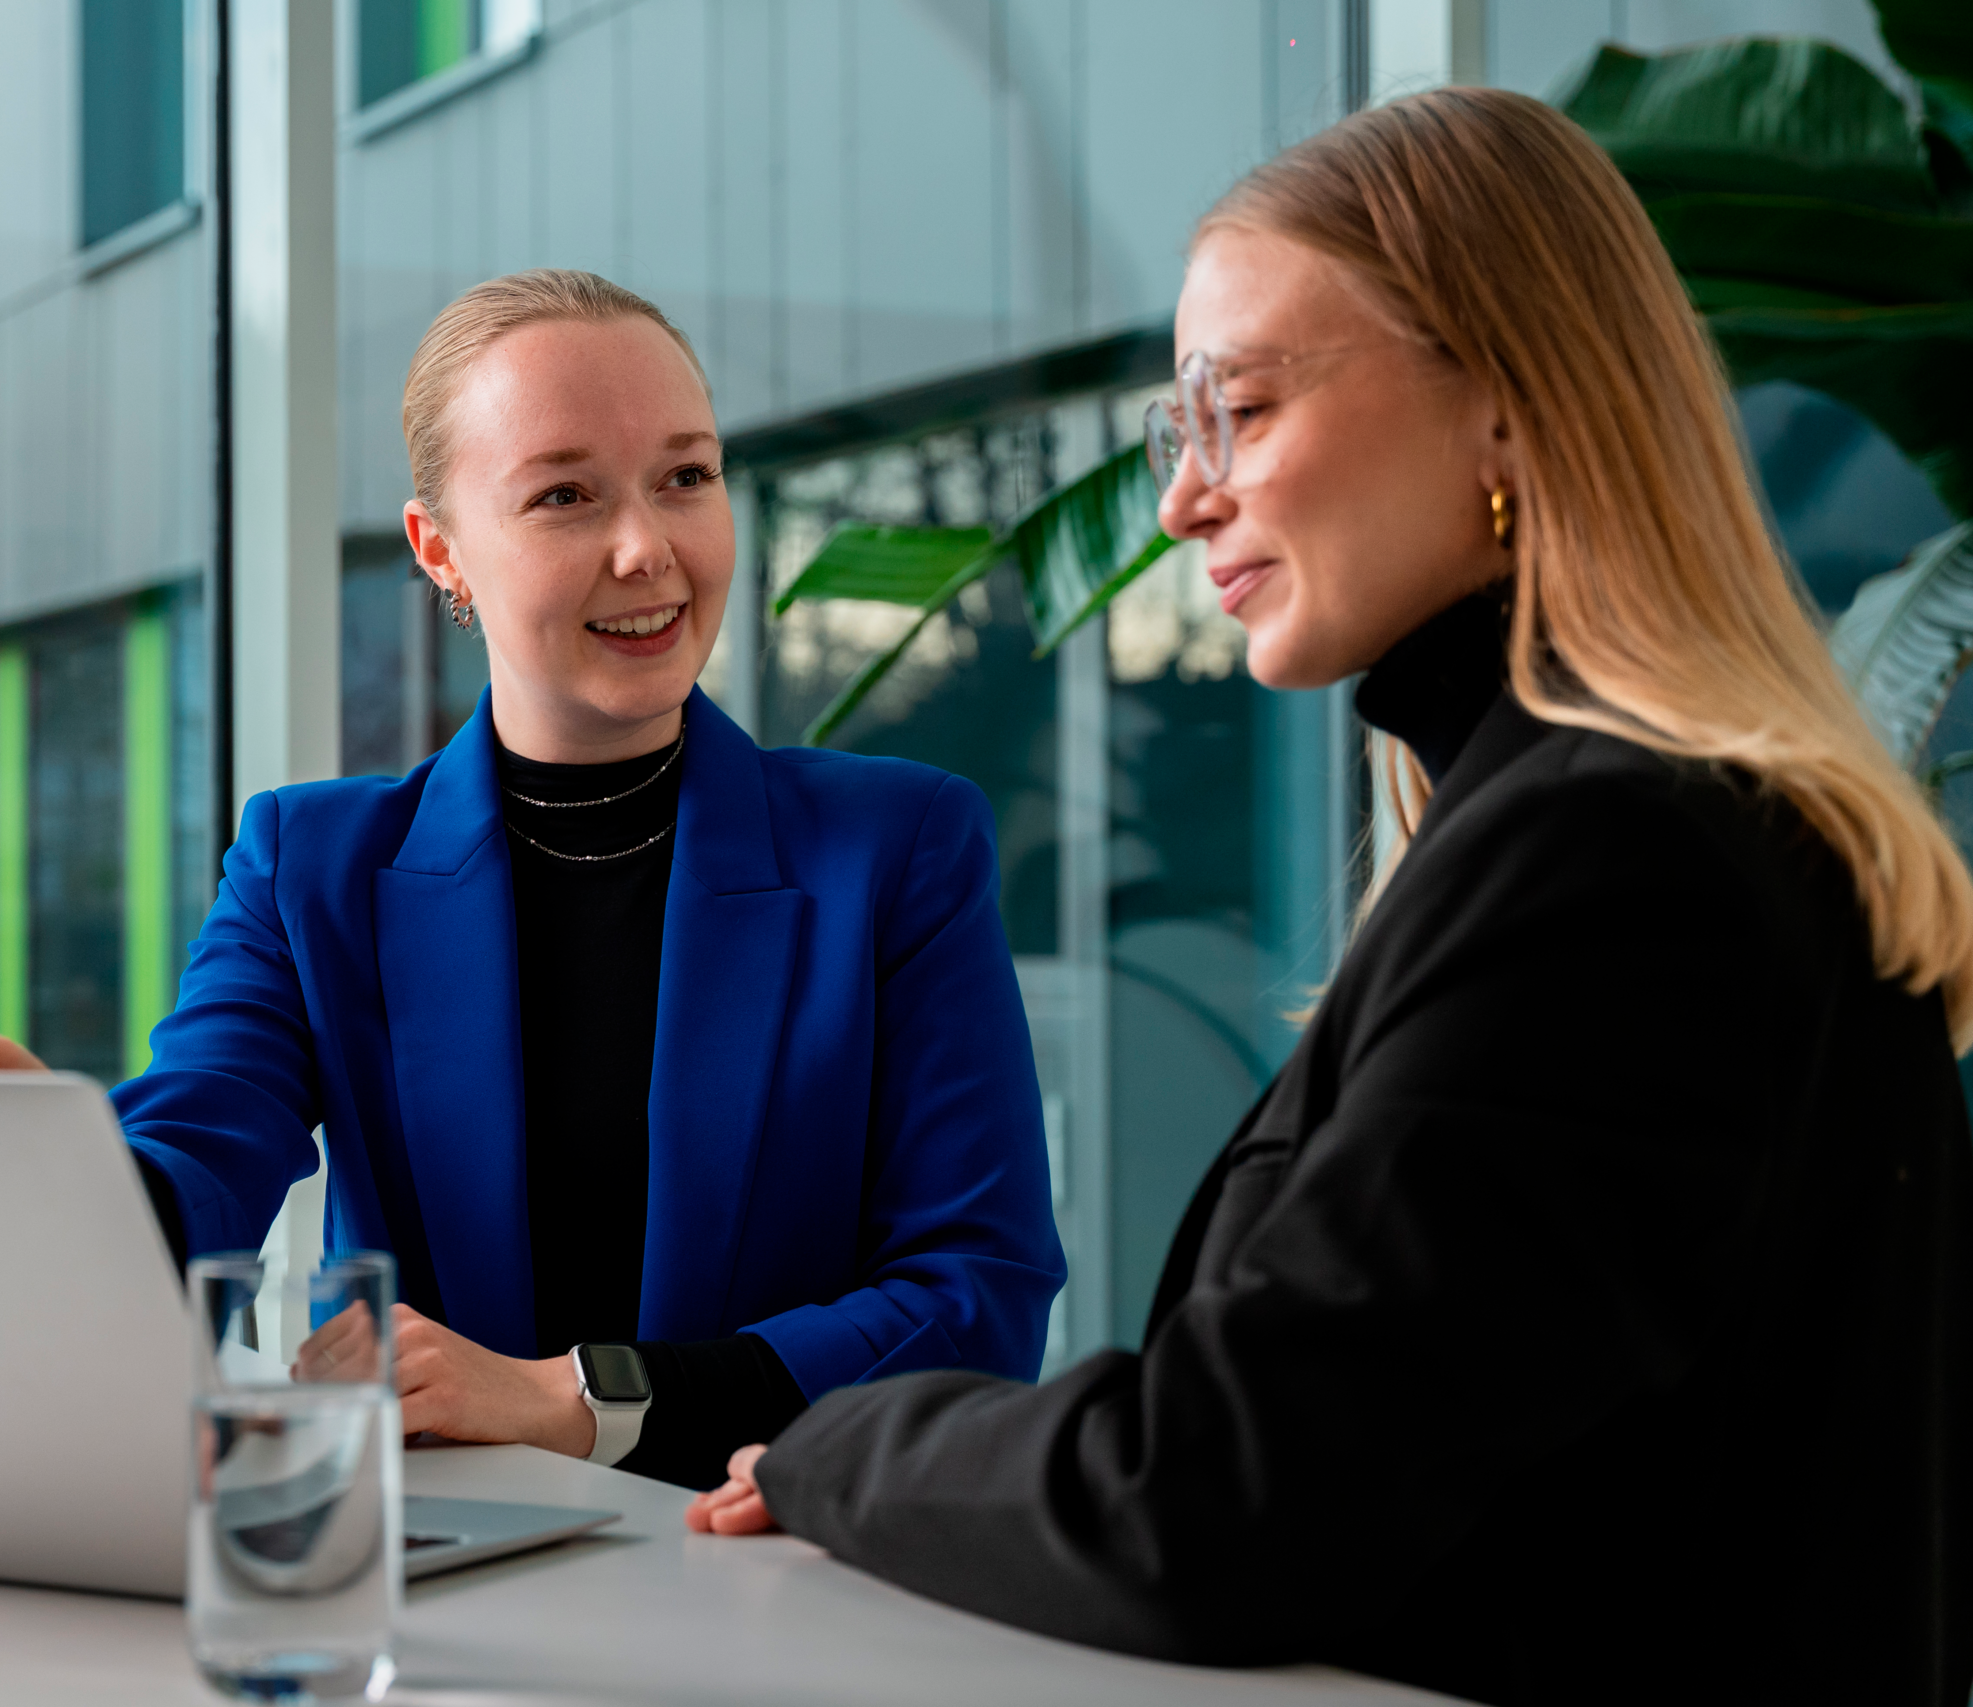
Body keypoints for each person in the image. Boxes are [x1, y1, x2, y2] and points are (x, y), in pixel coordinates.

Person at [684, 87, 1973, 1707]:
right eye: (1179, 431)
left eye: (1241, 407)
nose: (1183, 498)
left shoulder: (1615, 861)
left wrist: (836, 1442)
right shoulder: (1642, 828)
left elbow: (1221, 1495)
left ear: (1506, 406)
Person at [0, 269, 1064, 1491]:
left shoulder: (897, 846)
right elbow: (202, 1141)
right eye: (564, 495)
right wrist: (81, 1192)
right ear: (439, 550)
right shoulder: (312, 866)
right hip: (450, 1565)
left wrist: (573, 1399)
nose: (647, 548)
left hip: (770, 1554)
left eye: (685, 477)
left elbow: (977, 1302)